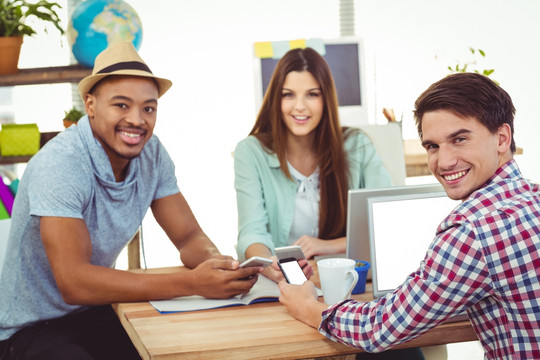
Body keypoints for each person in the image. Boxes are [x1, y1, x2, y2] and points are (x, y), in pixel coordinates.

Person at [0, 42, 261, 360]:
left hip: (98, 311)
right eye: (121, 106)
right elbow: (75, 282)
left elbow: (189, 237)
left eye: (148, 108)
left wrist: (221, 266)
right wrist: (193, 282)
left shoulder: (152, 154)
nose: (137, 119)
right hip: (29, 329)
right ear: (90, 105)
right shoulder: (61, 163)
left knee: (186, 348)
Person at [278, 72, 540, 359]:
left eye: (460, 139)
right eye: (432, 146)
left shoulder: (474, 232)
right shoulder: (532, 197)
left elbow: (377, 329)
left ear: (502, 138)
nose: (444, 161)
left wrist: (309, 307)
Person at [234, 47, 392, 283]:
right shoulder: (250, 152)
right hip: (283, 284)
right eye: (288, 95)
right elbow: (252, 231)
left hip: (346, 278)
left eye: (312, 94)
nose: (300, 106)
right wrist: (269, 266)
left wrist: (325, 246)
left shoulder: (357, 146)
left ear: (326, 99)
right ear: (276, 99)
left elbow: (385, 221)